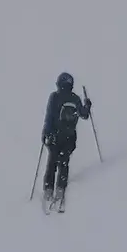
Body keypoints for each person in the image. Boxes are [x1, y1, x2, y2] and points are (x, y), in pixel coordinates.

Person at [40, 71, 91, 206]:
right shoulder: (75, 99)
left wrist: (45, 133)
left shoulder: (54, 97)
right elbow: (84, 115)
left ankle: (48, 189)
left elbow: (49, 116)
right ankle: (61, 189)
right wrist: (87, 105)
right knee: (64, 163)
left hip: (55, 136)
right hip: (69, 137)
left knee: (52, 163)